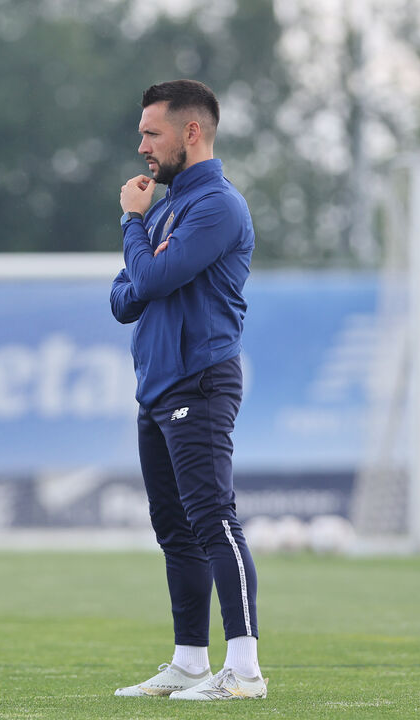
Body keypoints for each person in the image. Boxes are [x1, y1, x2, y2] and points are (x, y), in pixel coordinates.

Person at [109, 79, 266, 701]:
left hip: (199, 382)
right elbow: (125, 298)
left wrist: (131, 221)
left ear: (190, 132)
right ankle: (189, 661)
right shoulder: (168, 207)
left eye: (152, 132)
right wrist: (145, 246)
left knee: (213, 520)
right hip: (157, 385)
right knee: (175, 529)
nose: (143, 145)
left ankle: (246, 671)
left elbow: (150, 274)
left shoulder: (217, 206)